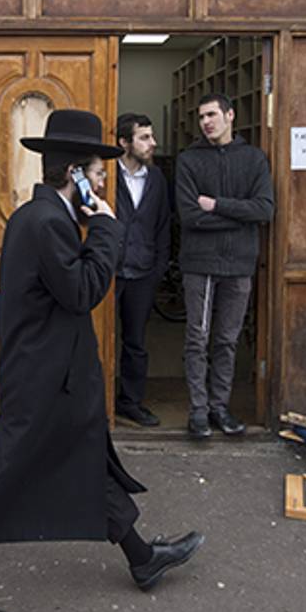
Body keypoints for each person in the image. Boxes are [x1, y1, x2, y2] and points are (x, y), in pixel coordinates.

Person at [0, 109, 203, 612]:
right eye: (99, 173)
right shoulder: (48, 221)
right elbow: (82, 292)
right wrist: (104, 227)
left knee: (88, 461)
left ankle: (142, 559)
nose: (103, 183)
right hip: (44, 381)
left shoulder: (45, 217)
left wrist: (93, 224)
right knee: (6, 478)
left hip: (57, 376)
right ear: (75, 174)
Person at [175, 93, 275, 440]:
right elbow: (189, 216)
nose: (207, 122)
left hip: (239, 264)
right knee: (197, 339)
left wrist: (216, 205)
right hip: (199, 263)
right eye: (202, 116)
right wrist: (239, 216)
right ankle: (198, 412)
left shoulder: (254, 158)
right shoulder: (188, 160)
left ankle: (220, 407)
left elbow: (264, 210)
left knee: (227, 341)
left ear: (230, 115)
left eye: (213, 114)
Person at [113, 112, 171, 427]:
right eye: (145, 137)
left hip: (143, 272)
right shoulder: (106, 174)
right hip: (109, 272)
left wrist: (158, 268)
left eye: (151, 136)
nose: (153, 143)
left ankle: (130, 402)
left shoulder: (157, 179)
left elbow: (163, 225)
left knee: (136, 342)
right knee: (98, 337)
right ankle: (96, 401)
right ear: (125, 142)